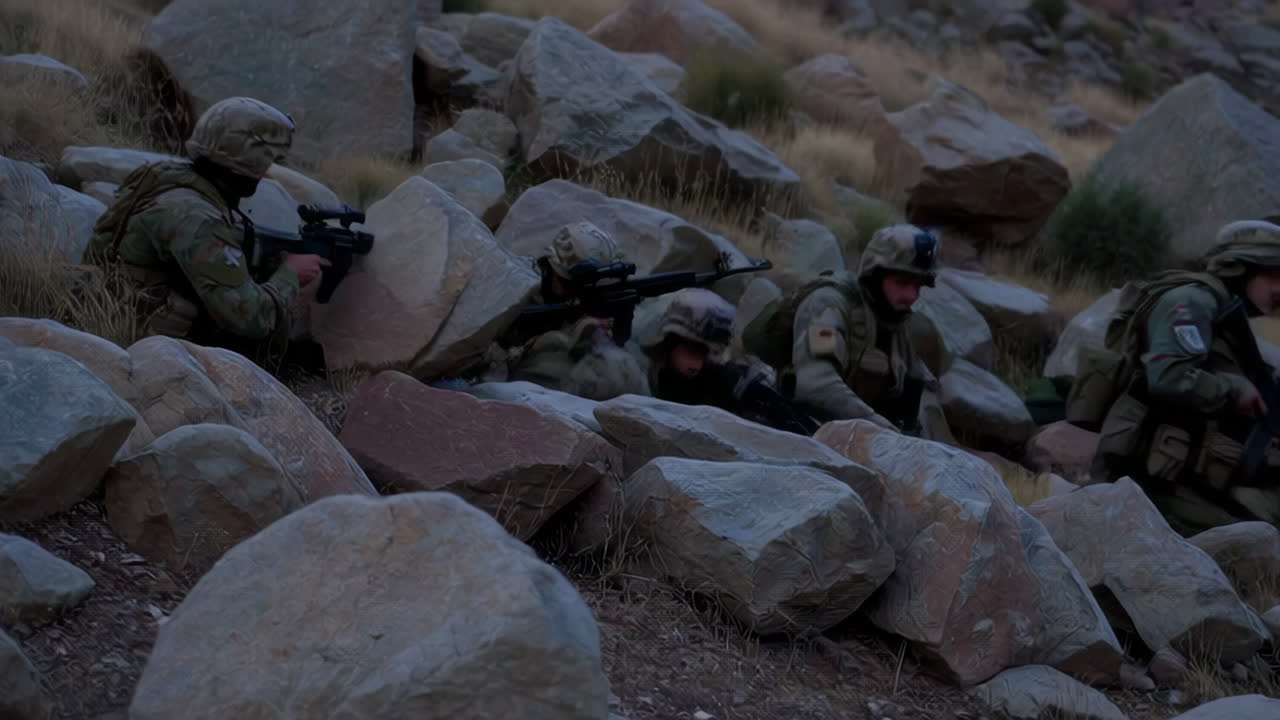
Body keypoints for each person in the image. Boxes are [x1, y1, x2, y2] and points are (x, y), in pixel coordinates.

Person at [1072, 219, 1280, 532]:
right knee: (1262, 535)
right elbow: (1169, 377)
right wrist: (1235, 389)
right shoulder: (1191, 302)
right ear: (1240, 267)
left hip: (1184, 475)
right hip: (1151, 482)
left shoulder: (1221, 311)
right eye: (1273, 275)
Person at [86, 96, 329, 359]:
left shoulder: (173, 178)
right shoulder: (196, 217)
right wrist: (290, 274)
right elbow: (251, 319)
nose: (265, 174)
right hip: (139, 343)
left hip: (113, 306)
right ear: (249, 162)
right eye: (265, 163)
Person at [744, 224, 941, 435]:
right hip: (794, 430)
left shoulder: (896, 322)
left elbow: (913, 391)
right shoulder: (829, 305)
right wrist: (881, 429)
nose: (912, 295)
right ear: (875, 275)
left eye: (918, 286)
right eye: (902, 282)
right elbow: (816, 384)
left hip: (853, 436)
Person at [497, 221, 650, 400]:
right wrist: (575, 332)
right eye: (567, 284)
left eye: (587, 289)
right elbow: (494, 355)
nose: (575, 294)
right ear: (549, 268)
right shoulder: (519, 291)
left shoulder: (600, 295)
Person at [634, 287, 816, 434]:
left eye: (705, 353)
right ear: (670, 342)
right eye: (691, 350)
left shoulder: (735, 383)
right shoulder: (642, 374)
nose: (697, 365)